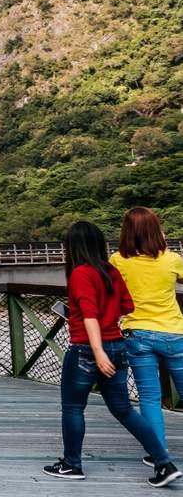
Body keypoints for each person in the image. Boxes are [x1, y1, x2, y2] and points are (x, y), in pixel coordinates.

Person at [43, 220, 178, 486]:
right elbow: (127, 306)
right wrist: (107, 315)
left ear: (73, 247)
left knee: (73, 408)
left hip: (87, 349)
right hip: (117, 345)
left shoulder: (81, 273)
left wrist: (97, 350)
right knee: (124, 410)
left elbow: (89, 315)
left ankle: (72, 464)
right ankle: (164, 463)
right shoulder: (111, 271)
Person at [115, 206, 183, 486]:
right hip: (174, 333)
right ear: (158, 230)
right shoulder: (173, 259)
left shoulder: (119, 260)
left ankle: (160, 456)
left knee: (149, 397)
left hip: (138, 333)